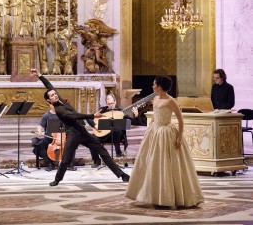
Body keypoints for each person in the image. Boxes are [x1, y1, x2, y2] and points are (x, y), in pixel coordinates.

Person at [30, 68, 130, 186]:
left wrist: (40, 75)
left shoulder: (61, 101)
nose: (55, 95)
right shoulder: (59, 110)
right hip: (73, 134)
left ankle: (122, 175)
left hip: (81, 131)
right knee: (66, 158)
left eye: (55, 94)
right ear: (49, 100)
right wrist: (93, 115)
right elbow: (75, 116)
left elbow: (49, 86)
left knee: (102, 151)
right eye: (52, 96)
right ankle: (57, 179)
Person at [125, 75, 203, 208]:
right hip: (155, 132)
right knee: (151, 163)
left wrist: (179, 137)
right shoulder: (155, 98)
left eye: (154, 84)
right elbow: (155, 116)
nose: (152, 86)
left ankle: (168, 196)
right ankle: (153, 194)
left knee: (166, 164)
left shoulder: (170, 101)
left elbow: (180, 120)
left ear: (160, 87)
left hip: (166, 133)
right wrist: (150, 130)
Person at [89, 93, 139, 167]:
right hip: (103, 135)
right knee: (91, 138)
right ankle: (96, 160)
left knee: (116, 130)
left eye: (112, 103)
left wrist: (136, 115)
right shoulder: (103, 110)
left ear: (115, 102)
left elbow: (132, 122)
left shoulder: (121, 111)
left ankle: (118, 152)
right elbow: (89, 118)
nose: (110, 105)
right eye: (108, 104)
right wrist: (95, 126)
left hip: (117, 136)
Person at [32, 102, 76, 172]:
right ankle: (49, 163)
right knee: (39, 146)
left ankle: (70, 164)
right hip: (50, 138)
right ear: (49, 105)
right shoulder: (47, 115)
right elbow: (40, 125)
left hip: (63, 137)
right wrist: (39, 131)